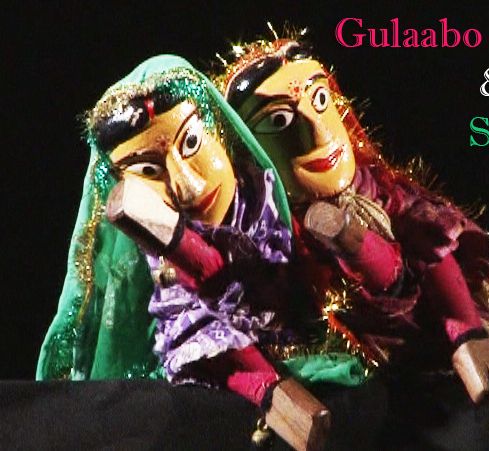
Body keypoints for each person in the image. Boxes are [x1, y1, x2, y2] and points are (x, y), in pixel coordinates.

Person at [216, 37, 489, 402]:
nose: (318, 132)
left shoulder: (385, 194)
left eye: (321, 100)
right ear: (248, 153)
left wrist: (467, 333)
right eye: (279, 120)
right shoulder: (269, 245)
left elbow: (434, 253)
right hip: (383, 387)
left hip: (445, 340)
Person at [38, 55, 330, 450]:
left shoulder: (269, 213)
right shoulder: (164, 277)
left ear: (219, 130)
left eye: (191, 142)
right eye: (148, 172)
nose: (188, 187)